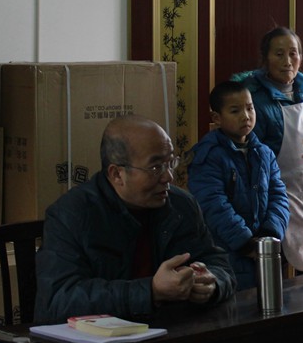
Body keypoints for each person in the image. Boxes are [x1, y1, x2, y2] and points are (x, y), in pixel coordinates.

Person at [35, 115, 235, 323]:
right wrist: (151, 291)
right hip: (99, 339)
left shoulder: (181, 205)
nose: (168, 177)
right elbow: (59, 300)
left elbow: (219, 265)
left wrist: (212, 283)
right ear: (117, 174)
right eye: (156, 167)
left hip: (170, 333)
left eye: (170, 163)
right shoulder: (70, 214)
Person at [234, 26, 303, 272]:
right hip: (282, 197)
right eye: (279, 54)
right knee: (286, 272)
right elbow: (253, 157)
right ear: (265, 58)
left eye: (293, 53)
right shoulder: (254, 98)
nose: (287, 61)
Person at [187, 81, 290, 290]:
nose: (246, 116)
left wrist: (269, 234)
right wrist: (246, 243)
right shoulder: (208, 156)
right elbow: (213, 204)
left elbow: (279, 195)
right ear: (217, 118)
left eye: (250, 108)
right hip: (227, 253)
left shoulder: (264, 153)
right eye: (235, 111)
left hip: (263, 251)